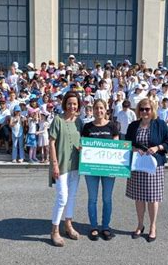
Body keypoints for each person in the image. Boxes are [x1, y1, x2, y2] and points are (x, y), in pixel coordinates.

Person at [125, 98, 168, 242]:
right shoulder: (133, 125)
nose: (145, 112)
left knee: (153, 198)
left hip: (154, 165)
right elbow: (127, 142)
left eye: (147, 109)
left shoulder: (160, 124)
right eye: (142, 109)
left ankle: (153, 226)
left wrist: (157, 147)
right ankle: (140, 225)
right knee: (139, 197)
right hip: (138, 165)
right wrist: (134, 148)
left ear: (152, 110)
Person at [81, 99, 119, 241]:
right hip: (91, 168)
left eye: (101, 108)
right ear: (93, 110)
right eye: (96, 108)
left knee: (107, 198)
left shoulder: (112, 126)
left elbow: (117, 148)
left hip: (108, 168)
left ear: (106, 109)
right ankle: (93, 227)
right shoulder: (87, 127)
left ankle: (105, 226)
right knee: (92, 199)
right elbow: (83, 145)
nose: (99, 111)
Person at [49, 91, 82, 247]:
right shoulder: (58, 120)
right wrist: (54, 164)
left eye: (75, 103)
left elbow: (82, 142)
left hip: (76, 164)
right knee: (62, 197)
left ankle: (68, 224)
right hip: (61, 164)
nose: (72, 106)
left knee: (72, 196)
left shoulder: (79, 122)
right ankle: (54, 230)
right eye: (69, 103)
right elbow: (51, 143)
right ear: (65, 104)